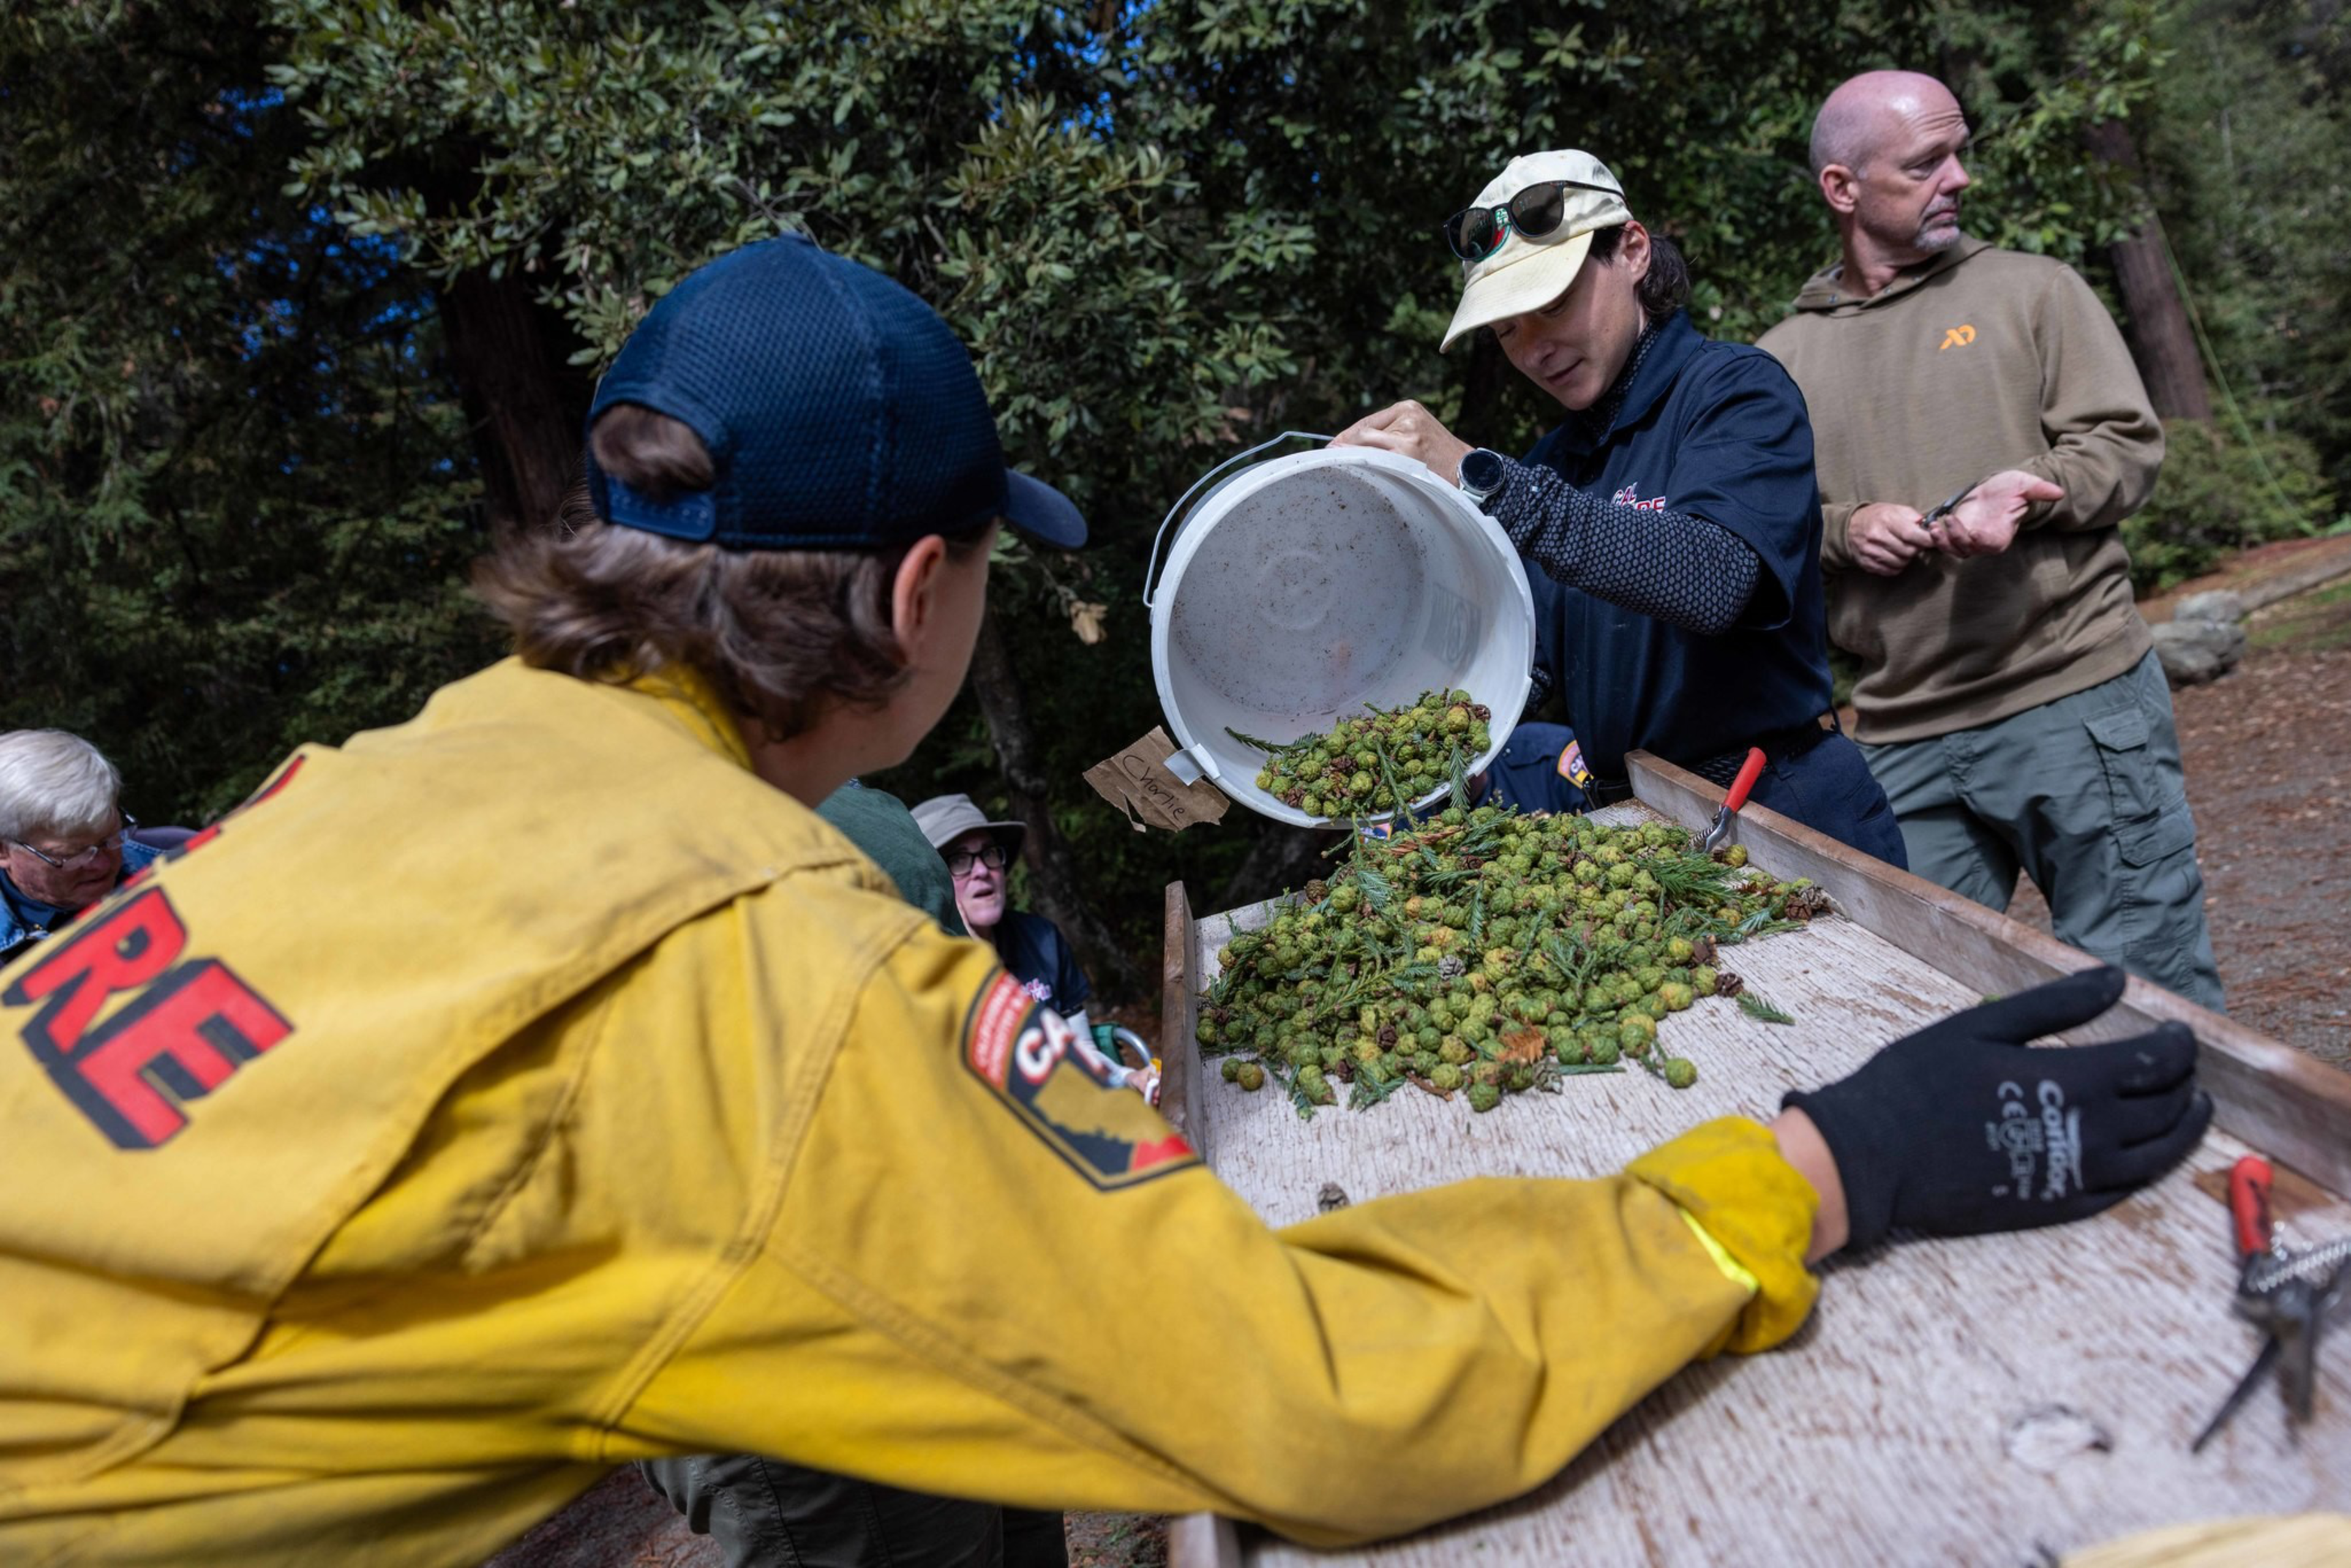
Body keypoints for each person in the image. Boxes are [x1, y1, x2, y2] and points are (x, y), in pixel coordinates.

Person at [0, 234, 2211, 1566]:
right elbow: (1297, 1386)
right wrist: (1803, 1165)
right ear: (921, 587)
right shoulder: (749, 956)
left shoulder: (383, 769)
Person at [1755, 70, 2225, 1010]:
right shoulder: (1779, 362)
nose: (1959, 177)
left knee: (2148, 999)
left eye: (1959, 153)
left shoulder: (2033, 292)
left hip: (2074, 699)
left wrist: (2031, 492)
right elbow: (1771, 532)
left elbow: (2125, 446)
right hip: (1899, 732)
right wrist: (1847, 530)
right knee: (1927, 1011)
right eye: (1926, 161)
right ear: (1842, 189)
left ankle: (2202, 1162)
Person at [1333, 148, 1905, 867]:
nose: (1535, 347)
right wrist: (1369, 681)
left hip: (1784, 813)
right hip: (1638, 834)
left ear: (1632, 250)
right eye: (1507, 329)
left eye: (1553, 303)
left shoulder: (1735, 393)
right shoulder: (1554, 463)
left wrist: (1478, 475)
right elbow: (1520, 664)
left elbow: (1714, 578)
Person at [0, 729, 181, 967]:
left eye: (111, 838)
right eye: (71, 855)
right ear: (3, 851)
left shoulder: (185, 853)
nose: (102, 865)